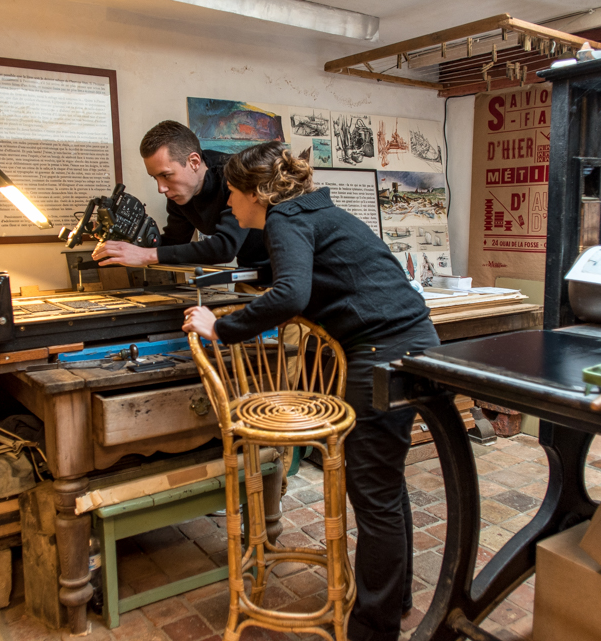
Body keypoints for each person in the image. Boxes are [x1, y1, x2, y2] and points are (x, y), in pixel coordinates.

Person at [182, 141, 439, 641]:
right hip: (411, 340)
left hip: (381, 350)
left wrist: (222, 327)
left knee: (373, 494)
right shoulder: (315, 210)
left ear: (258, 193)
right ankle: (395, 602)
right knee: (385, 488)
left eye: (234, 194)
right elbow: (315, 279)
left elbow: (293, 292)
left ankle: (373, 629)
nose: (230, 206)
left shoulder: (285, 219)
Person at [92, 120, 269, 270]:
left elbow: (224, 248)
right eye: (155, 178)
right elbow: (173, 244)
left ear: (194, 162)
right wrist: (125, 241)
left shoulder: (235, 176)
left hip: (284, 276)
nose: (161, 188)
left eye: (166, 175)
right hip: (251, 276)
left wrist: (146, 255)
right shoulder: (180, 195)